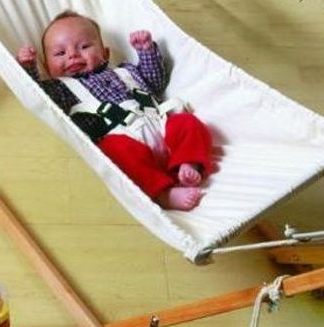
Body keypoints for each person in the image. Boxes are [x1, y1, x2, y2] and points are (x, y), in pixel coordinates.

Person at [16, 11, 213, 211]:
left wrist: (146, 51)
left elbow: (155, 82)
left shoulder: (126, 71)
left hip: (161, 128)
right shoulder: (60, 89)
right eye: (60, 53)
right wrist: (28, 67)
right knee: (113, 150)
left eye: (84, 47)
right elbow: (36, 95)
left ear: (105, 54)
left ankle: (188, 164)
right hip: (124, 140)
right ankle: (164, 194)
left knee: (187, 121)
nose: (73, 55)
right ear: (47, 67)